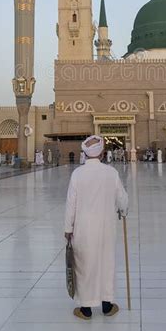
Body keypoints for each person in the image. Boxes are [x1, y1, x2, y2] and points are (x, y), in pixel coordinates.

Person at [64, 135, 129, 320]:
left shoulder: (78, 174)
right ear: (101, 153)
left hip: (83, 228)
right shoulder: (111, 173)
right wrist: (123, 210)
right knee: (105, 263)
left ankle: (86, 309)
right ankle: (107, 305)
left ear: (85, 153)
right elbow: (122, 199)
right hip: (106, 228)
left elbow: (71, 204)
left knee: (84, 265)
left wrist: (68, 227)